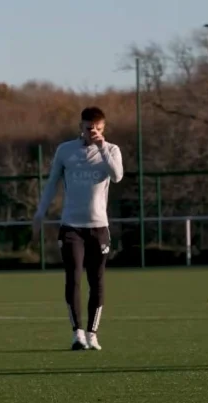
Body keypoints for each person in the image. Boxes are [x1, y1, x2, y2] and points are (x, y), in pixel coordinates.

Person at [32, 106, 123, 351]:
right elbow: (52, 184)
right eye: (89, 128)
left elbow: (117, 176)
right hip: (71, 226)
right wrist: (40, 212)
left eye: (98, 129)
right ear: (80, 127)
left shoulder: (111, 150)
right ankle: (77, 333)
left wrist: (102, 147)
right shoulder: (66, 151)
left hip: (98, 227)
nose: (93, 132)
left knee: (97, 280)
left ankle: (93, 333)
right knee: (73, 278)